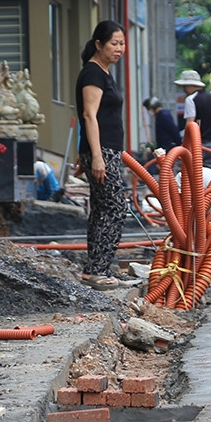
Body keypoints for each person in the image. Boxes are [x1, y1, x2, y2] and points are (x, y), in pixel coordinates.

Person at [76, 21, 134, 290]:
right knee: (116, 208)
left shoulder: (102, 72)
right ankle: (99, 269)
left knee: (101, 209)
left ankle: (93, 269)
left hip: (106, 150)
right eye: (114, 43)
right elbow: (88, 115)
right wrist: (95, 156)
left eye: (122, 43)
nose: (119, 48)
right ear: (98, 44)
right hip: (103, 152)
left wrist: (86, 153)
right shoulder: (93, 73)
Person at [176, 69, 211, 158]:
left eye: (185, 86)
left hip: (196, 146)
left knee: (192, 171)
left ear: (191, 85)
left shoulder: (191, 99)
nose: (184, 90)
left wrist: (185, 145)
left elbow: (190, 123)